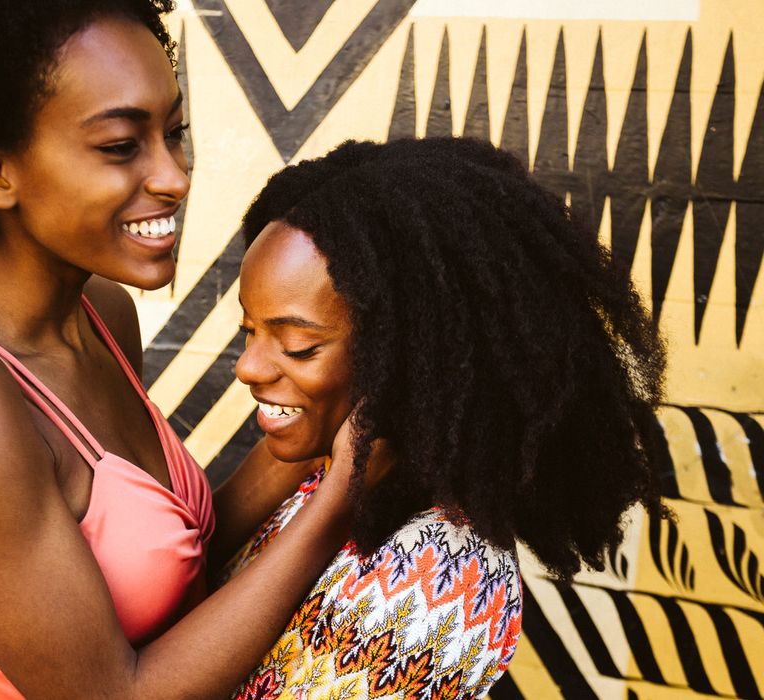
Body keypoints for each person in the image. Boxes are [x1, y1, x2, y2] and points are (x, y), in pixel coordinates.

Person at [0, 2, 377, 698]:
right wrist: (338, 504)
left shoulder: (103, 317)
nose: (174, 175)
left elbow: (171, 557)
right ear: (1, 173)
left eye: (175, 134)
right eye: (120, 146)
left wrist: (336, 413)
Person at [221, 137, 668, 698]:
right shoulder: (333, 476)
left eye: (297, 346)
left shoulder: (434, 576)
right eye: (249, 332)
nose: (247, 367)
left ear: (405, 355)